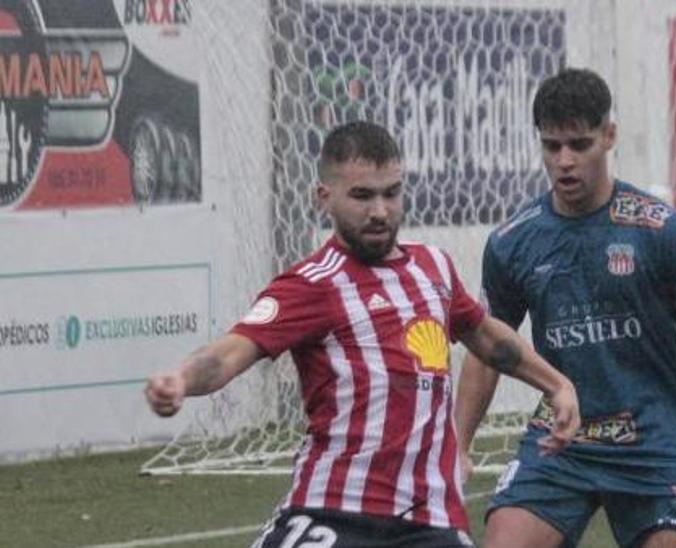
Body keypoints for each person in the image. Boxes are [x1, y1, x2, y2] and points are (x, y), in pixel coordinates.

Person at [143, 121, 582, 548]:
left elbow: (489, 339)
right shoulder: (314, 283)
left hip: (429, 519)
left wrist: (557, 384)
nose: (379, 211)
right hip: (333, 510)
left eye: (391, 193)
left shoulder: (434, 269)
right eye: (362, 196)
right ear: (324, 197)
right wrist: (182, 380)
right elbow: (230, 353)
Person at [454, 68, 676, 548]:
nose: (564, 161)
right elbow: (487, 346)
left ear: (610, 135)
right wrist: (457, 445)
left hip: (653, 443)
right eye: (552, 146)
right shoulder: (513, 243)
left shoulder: (661, 232)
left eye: (579, 144)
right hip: (561, 443)